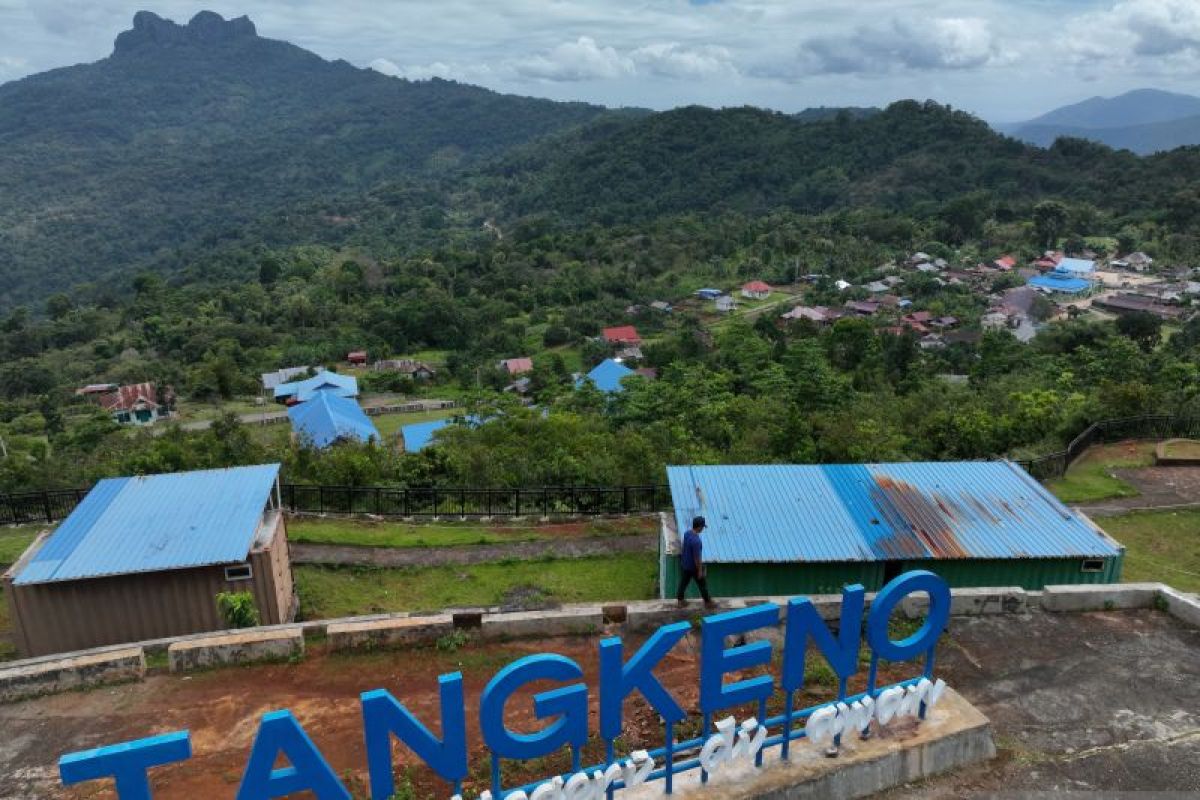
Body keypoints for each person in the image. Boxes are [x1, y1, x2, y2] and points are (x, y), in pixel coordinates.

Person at [676, 515, 716, 609]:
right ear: (699, 527)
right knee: (702, 584)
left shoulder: (687, 534)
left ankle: (680, 601)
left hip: (685, 564)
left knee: (683, 583)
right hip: (693, 567)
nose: (703, 528)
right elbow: (696, 558)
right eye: (702, 526)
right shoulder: (696, 541)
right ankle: (708, 602)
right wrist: (700, 571)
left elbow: (684, 547)